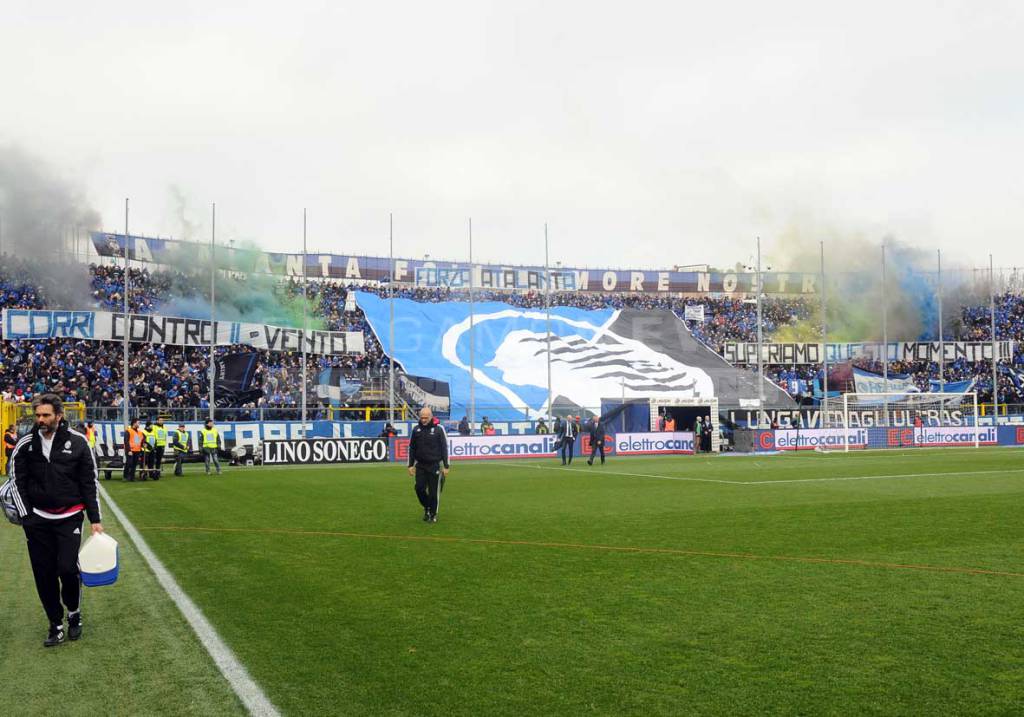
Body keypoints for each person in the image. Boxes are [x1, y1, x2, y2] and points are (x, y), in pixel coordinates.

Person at [8, 394, 102, 647]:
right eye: (38, 415)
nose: (41, 419)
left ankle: (73, 613)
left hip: (69, 516)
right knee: (44, 573)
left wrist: (95, 518)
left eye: (46, 415)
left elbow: (88, 483)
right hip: (37, 520)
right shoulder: (25, 444)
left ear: (59, 416)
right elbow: (16, 480)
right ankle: (55, 623)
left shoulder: (79, 442)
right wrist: (26, 515)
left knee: (67, 568)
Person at [407, 407, 449, 523]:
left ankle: (433, 514)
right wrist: (410, 465)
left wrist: (446, 466)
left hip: (434, 465)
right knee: (419, 488)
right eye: (422, 417)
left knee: (433, 492)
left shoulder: (439, 429)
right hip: (420, 465)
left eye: (426, 417)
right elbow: (412, 448)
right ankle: (427, 507)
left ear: (431, 416)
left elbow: (444, 447)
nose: (424, 420)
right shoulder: (416, 430)